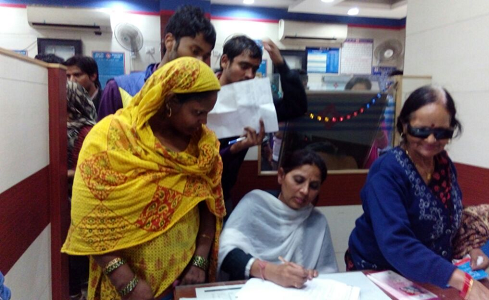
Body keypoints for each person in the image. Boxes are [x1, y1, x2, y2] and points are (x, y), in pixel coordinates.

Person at [61, 57, 226, 300]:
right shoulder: (113, 137)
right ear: (170, 102)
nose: (204, 122)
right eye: (198, 112)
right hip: (127, 287)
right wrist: (126, 282)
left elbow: (210, 206)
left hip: (183, 279)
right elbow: (88, 217)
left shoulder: (203, 146)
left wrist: (199, 262)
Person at [347, 85, 489, 300]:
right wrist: (459, 279)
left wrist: (470, 249)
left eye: (441, 133)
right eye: (421, 131)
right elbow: (396, 242)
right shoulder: (387, 171)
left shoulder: (444, 165)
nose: (430, 140)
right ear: (404, 126)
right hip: (381, 273)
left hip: (430, 277)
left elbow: (447, 223)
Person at [218, 149, 338, 288]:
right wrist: (272, 271)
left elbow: (328, 274)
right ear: (281, 176)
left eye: (313, 186)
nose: (305, 191)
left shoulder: (317, 221)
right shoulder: (256, 204)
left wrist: (310, 275)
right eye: (298, 180)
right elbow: (226, 253)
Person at [217, 36, 308, 214]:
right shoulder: (202, 91)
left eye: (255, 68)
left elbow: (296, 107)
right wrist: (235, 147)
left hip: (222, 193)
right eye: (243, 66)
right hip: (189, 190)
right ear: (225, 61)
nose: (250, 75)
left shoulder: (255, 99)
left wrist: (281, 64)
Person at [97, 5, 216, 121]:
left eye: (205, 57)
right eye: (194, 51)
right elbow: (102, 138)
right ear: (170, 42)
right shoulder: (120, 89)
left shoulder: (199, 96)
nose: (199, 62)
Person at [66, 81, 97, 300]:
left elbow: (88, 172)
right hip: (63, 200)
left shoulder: (88, 132)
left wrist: (61, 174)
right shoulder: (56, 126)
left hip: (80, 202)